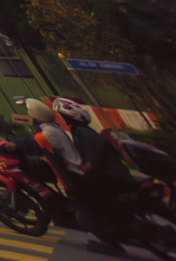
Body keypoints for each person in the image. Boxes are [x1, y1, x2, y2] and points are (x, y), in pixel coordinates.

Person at [22, 97, 137, 255]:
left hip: (81, 178)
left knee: (85, 216)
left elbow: (32, 145)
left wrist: (12, 145)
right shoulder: (58, 129)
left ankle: (109, 244)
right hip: (88, 176)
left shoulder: (51, 134)